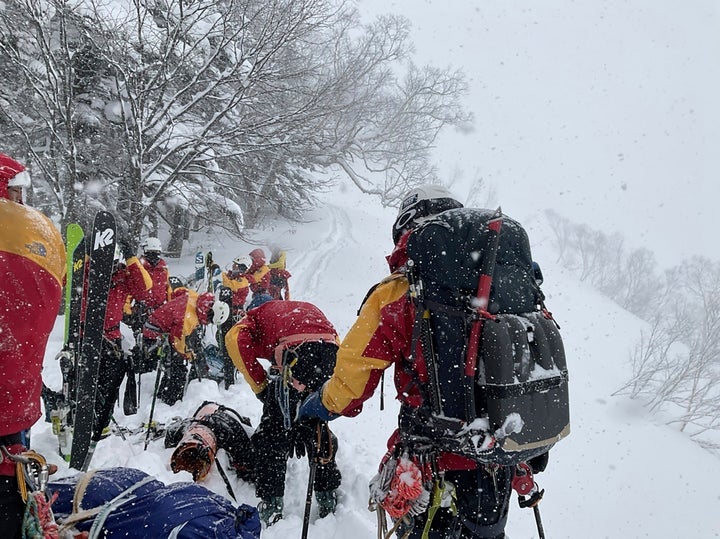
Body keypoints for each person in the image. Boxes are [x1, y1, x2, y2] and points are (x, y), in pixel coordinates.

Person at [298, 185, 528, 538]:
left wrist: (321, 405)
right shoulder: (500, 287)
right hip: (499, 459)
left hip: (431, 463)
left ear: (406, 231)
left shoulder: (399, 291)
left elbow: (353, 378)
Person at [225, 297, 341, 526]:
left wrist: (260, 386)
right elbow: (333, 339)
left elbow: (233, 339)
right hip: (329, 351)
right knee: (316, 425)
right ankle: (327, 496)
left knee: (273, 433)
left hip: (295, 355)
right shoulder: (296, 311)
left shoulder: (253, 319)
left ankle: (272, 505)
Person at [0, 152, 65, 537]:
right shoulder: (36, 239)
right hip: (14, 413)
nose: (21, 200)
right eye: (14, 191)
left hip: (15, 414)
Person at [90, 240, 152, 441]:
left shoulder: (123, 277)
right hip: (86, 337)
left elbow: (144, 288)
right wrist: (81, 257)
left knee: (107, 385)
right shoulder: (87, 274)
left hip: (111, 338)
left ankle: (102, 423)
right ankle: (82, 422)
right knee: (85, 384)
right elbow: (66, 280)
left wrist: (131, 258)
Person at [143, 291, 229, 405]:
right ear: (210, 313)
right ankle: (170, 401)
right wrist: (190, 356)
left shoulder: (196, 298)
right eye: (210, 321)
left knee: (175, 362)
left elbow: (180, 292)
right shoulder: (187, 320)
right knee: (178, 369)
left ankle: (163, 392)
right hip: (154, 332)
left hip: (162, 324)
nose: (208, 324)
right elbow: (178, 345)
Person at [221, 255, 252, 321]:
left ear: (241, 268)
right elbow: (225, 276)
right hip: (229, 309)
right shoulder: (234, 277)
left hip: (235, 313)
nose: (233, 266)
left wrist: (219, 274)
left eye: (235, 265)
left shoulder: (243, 281)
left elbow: (229, 285)